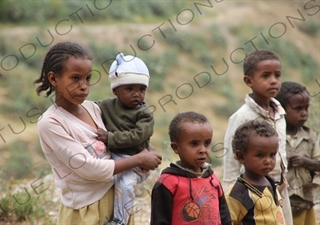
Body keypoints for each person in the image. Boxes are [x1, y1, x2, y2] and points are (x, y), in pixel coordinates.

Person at [33, 41, 162, 225]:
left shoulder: (93, 108)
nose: (84, 86)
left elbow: (122, 133)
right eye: (75, 78)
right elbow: (90, 169)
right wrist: (139, 159)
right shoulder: (51, 123)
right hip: (85, 212)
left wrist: (147, 148)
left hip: (118, 204)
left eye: (88, 78)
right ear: (53, 79)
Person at [222, 49, 293, 224]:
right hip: (249, 191)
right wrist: (227, 199)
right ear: (249, 81)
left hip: (277, 189)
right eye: (266, 76)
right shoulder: (241, 117)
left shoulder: (280, 113)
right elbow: (231, 163)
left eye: (277, 75)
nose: (273, 81)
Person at [94, 53, 154, 225]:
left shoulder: (145, 114)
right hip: (113, 158)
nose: (137, 94)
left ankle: (120, 221)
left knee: (125, 185)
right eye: (129, 89)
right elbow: (88, 109)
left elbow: (137, 136)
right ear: (115, 90)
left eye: (141, 89)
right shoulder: (106, 105)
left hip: (135, 162)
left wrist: (110, 138)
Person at [150, 111, 231, 225]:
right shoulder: (167, 183)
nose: (203, 150)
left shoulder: (213, 179)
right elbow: (159, 221)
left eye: (207, 143)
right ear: (176, 148)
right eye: (194, 144)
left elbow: (225, 218)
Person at [275, 81, 320, 225]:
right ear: (282, 109)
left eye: (306, 108)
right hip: (281, 201)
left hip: (305, 201)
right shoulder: (274, 135)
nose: (304, 113)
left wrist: (305, 162)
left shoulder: (311, 137)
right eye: (298, 108)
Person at [225, 120, 286, 225]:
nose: (268, 161)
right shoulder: (237, 193)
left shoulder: (272, 184)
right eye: (260, 155)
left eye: (272, 154)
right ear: (241, 156)